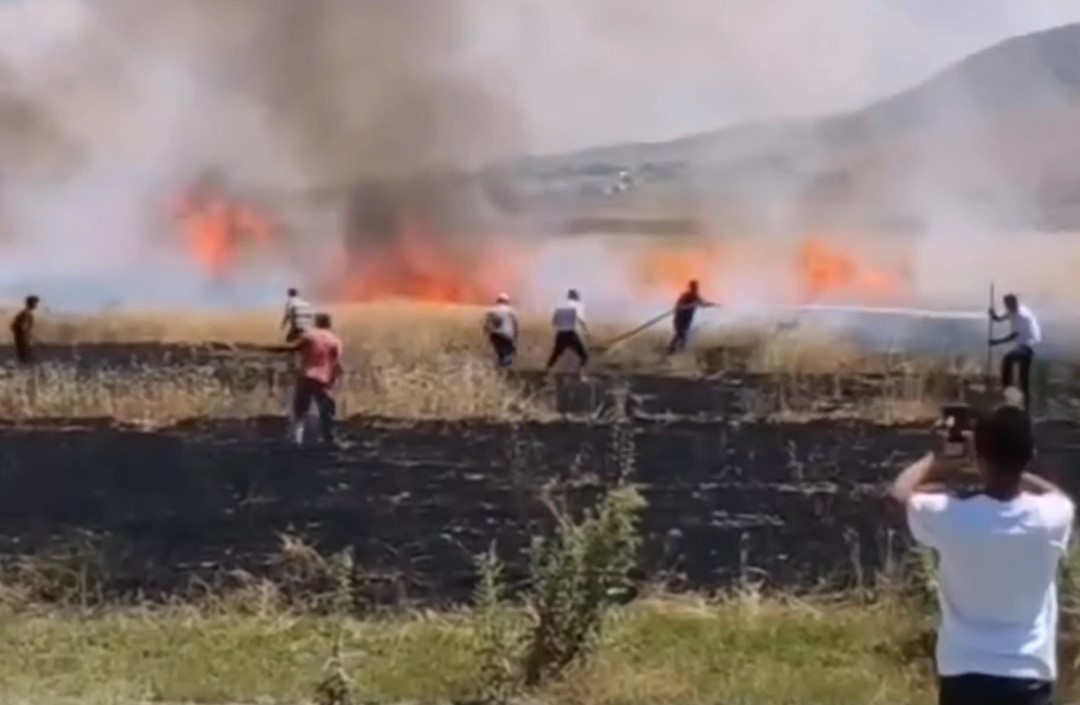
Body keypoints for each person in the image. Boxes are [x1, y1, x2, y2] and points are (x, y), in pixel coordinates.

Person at [890, 404, 1073, 705]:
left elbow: (897, 497)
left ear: (980, 457)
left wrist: (937, 459)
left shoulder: (954, 518)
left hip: (965, 674)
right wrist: (1014, 467)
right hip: (1029, 673)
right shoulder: (1052, 517)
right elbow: (1058, 497)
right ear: (1030, 455)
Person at [278, 312, 343, 447]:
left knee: (300, 412)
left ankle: (297, 441)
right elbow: (336, 364)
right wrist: (334, 381)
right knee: (327, 413)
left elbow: (293, 348)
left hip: (306, 376)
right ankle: (329, 440)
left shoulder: (310, 336)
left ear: (317, 323)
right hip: (322, 381)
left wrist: (273, 350)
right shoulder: (335, 340)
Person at [989, 293, 1041, 409]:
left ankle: (1010, 391)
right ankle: (1010, 392)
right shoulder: (1012, 311)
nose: (1006, 307)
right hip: (1022, 347)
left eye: (1007, 304)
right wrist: (993, 315)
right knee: (1018, 372)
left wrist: (997, 341)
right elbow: (1000, 319)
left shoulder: (1021, 315)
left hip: (1027, 347)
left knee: (1010, 363)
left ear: (1012, 303)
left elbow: (1014, 335)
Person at [545, 289, 589, 372]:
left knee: (555, 354)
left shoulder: (561, 306)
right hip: (571, 334)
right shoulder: (578, 305)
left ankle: (547, 370)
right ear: (576, 296)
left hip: (561, 334)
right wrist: (586, 330)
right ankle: (580, 373)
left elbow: (554, 322)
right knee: (584, 356)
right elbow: (580, 319)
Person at [667, 279, 715, 354]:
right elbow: (678, 306)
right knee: (680, 333)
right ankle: (671, 349)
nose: (696, 289)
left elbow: (702, 304)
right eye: (694, 287)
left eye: (696, 287)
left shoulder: (696, 296)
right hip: (680, 318)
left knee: (683, 334)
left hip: (687, 319)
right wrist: (686, 306)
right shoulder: (685, 296)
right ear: (690, 287)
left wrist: (711, 304)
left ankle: (678, 350)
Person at [483, 292, 518, 368]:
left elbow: (486, 324)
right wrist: (515, 337)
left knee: (500, 353)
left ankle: (498, 369)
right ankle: (503, 370)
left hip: (494, 335)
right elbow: (515, 324)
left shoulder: (492, 310)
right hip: (506, 335)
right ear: (507, 301)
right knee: (508, 355)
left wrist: (488, 334)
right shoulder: (511, 311)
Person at [10, 295, 39, 365]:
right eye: (35, 303)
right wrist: (24, 331)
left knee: (25, 350)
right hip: (21, 335)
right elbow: (18, 325)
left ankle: (24, 361)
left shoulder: (26, 313)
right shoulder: (25, 313)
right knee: (23, 350)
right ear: (31, 304)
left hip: (23, 335)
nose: (36, 305)